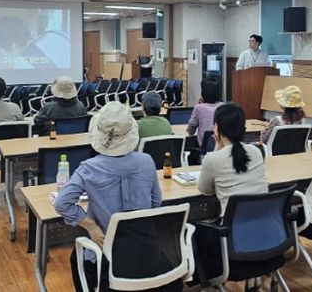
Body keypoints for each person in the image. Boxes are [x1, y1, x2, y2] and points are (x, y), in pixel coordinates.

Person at [56, 101, 181, 292]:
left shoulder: (88, 168)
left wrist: (92, 227)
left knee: (77, 257)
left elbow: (62, 203)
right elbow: (156, 202)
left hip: (106, 257)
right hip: (147, 253)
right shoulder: (146, 161)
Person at [194, 102, 268, 280]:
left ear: (217, 128)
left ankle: (209, 282)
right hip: (265, 233)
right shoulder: (256, 152)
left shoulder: (213, 159)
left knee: (194, 231)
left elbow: (204, 190)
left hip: (234, 239)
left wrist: (216, 147)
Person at [186, 79, 222, 161]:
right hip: (221, 146)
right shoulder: (223, 107)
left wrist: (198, 106)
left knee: (191, 155)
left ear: (203, 93)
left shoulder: (199, 108)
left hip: (204, 148)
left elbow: (190, 131)